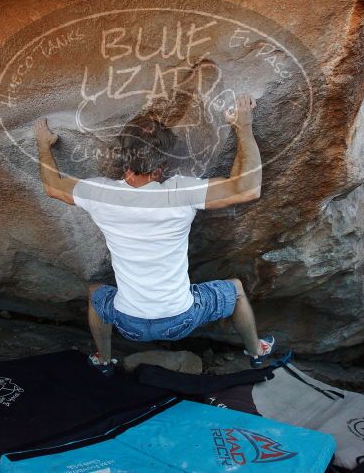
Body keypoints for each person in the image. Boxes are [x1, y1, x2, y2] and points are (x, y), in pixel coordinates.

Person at [35, 94, 274, 375]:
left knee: (96, 293)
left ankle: (103, 360)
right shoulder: (179, 192)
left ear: (123, 161)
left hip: (128, 322)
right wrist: (243, 126)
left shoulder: (99, 193)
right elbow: (246, 188)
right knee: (234, 290)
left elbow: (52, 186)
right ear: (160, 169)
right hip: (181, 319)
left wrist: (43, 144)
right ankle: (256, 352)